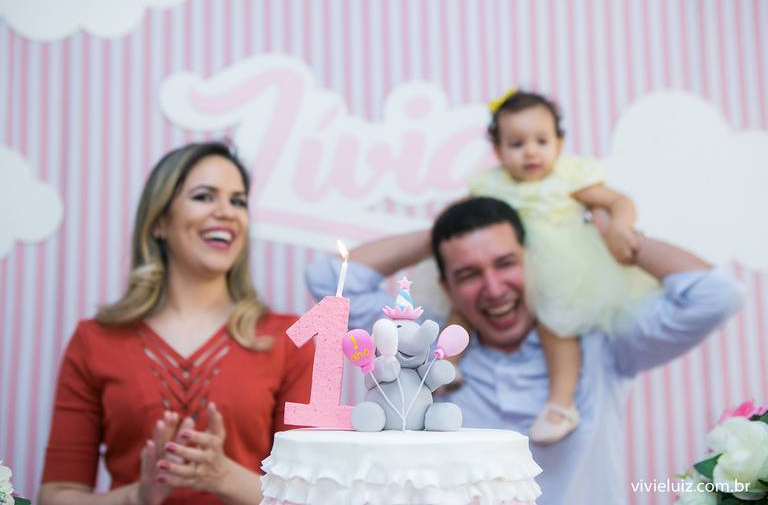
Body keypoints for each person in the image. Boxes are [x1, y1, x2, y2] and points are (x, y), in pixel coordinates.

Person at [305, 197, 745, 505]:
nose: (494, 289)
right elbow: (330, 281)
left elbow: (718, 296)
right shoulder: (425, 353)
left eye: (505, 262)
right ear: (447, 287)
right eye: (468, 273)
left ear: (536, 263)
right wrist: (442, 231)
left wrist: (614, 235)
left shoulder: (600, 342)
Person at [39, 142, 314, 505]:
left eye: (238, 201)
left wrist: (226, 478)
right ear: (159, 222)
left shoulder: (288, 339)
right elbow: (56, 495)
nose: (227, 213)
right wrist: (138, 496)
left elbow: (309, 498)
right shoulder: (94, 341)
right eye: (204, 196)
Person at [462, 87, 659, 444]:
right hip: (506, 267)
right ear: (498, 150)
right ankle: (447, 365)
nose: (531, 151)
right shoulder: (490, 184)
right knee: (460, 303)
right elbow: (460, 218)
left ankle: (561, 402)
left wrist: (619, 227)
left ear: (560, 141)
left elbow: (620, 201)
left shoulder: (568, 180)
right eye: (517, 144)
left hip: (562, 266)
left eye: (541, 140)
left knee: (558, 322)